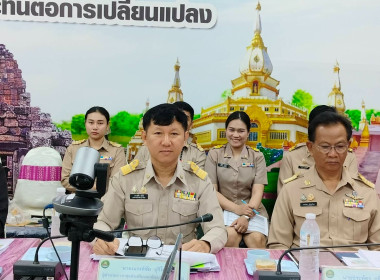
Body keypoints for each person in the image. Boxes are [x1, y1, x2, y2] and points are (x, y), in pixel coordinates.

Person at [92, 103, 227, 255]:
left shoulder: (199, 181)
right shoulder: (125, 179)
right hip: (136, 262)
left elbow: (217, 228)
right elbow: (103, 222)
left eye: (174, 134)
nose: (166, 141)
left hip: (183, 262)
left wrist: (206, 244)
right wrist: (100, 239)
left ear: (185, 138)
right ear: (144, 137)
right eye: (158, 133)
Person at [268, 111, 380, 251]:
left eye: (340, 146)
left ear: (349, 146)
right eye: (325, 147)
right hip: (306, 267)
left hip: (353, 271)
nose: (333, 154)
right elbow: (278, 245)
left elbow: (377, 249)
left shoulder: (366, 193)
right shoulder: (292, 190)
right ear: (310, 148)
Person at [205, 111, 268, 248]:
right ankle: (229, 270)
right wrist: (236, 209)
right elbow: (212, 191)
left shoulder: (257, 156)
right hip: (223, 209)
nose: (235, 135)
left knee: (257, 239)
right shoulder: (215, 154)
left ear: (248, 133)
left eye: (241, 131)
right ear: (226, 130)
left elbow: (258, 192)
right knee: (230, 235)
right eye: (231, 130)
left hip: (253, 211)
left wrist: (245, 216)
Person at [277, 105, 358, 194]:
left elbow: (353, 192)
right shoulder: (292, 157)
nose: (332, 154)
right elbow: (284, 195)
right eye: (324, 146)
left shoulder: (349, 157)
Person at [61, 106, 126, 193]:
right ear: (85, 124)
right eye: (91, 122)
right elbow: (65, 179)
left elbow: (118, 181)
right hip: (78, 201)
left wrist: (93, 187)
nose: (95, 127)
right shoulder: (73, 148)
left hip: (105, 202)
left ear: (107, 125)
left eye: (100, 123)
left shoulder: (117, 151)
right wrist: (89, 188)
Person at [135, 101, 206, 168]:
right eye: (177, 118)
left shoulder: (197, 153)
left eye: (185, 119)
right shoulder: (146, 149)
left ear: (191, 124)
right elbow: (135, 176)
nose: (181, 122)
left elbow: (197, 180)